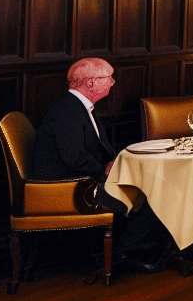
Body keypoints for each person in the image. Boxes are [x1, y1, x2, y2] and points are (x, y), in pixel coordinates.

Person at [30, 58, 169, 273]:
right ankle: (129, 252)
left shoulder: (79, 107)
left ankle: (133, 249)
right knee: (154, 190)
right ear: (91, 83)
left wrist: (111, 163)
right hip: (68, 190)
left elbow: (88, 151)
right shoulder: (67, 111)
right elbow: (73, 157)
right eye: (108, 78)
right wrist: (104, 171)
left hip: (81, 182)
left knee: (152, 185)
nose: (113, 82)